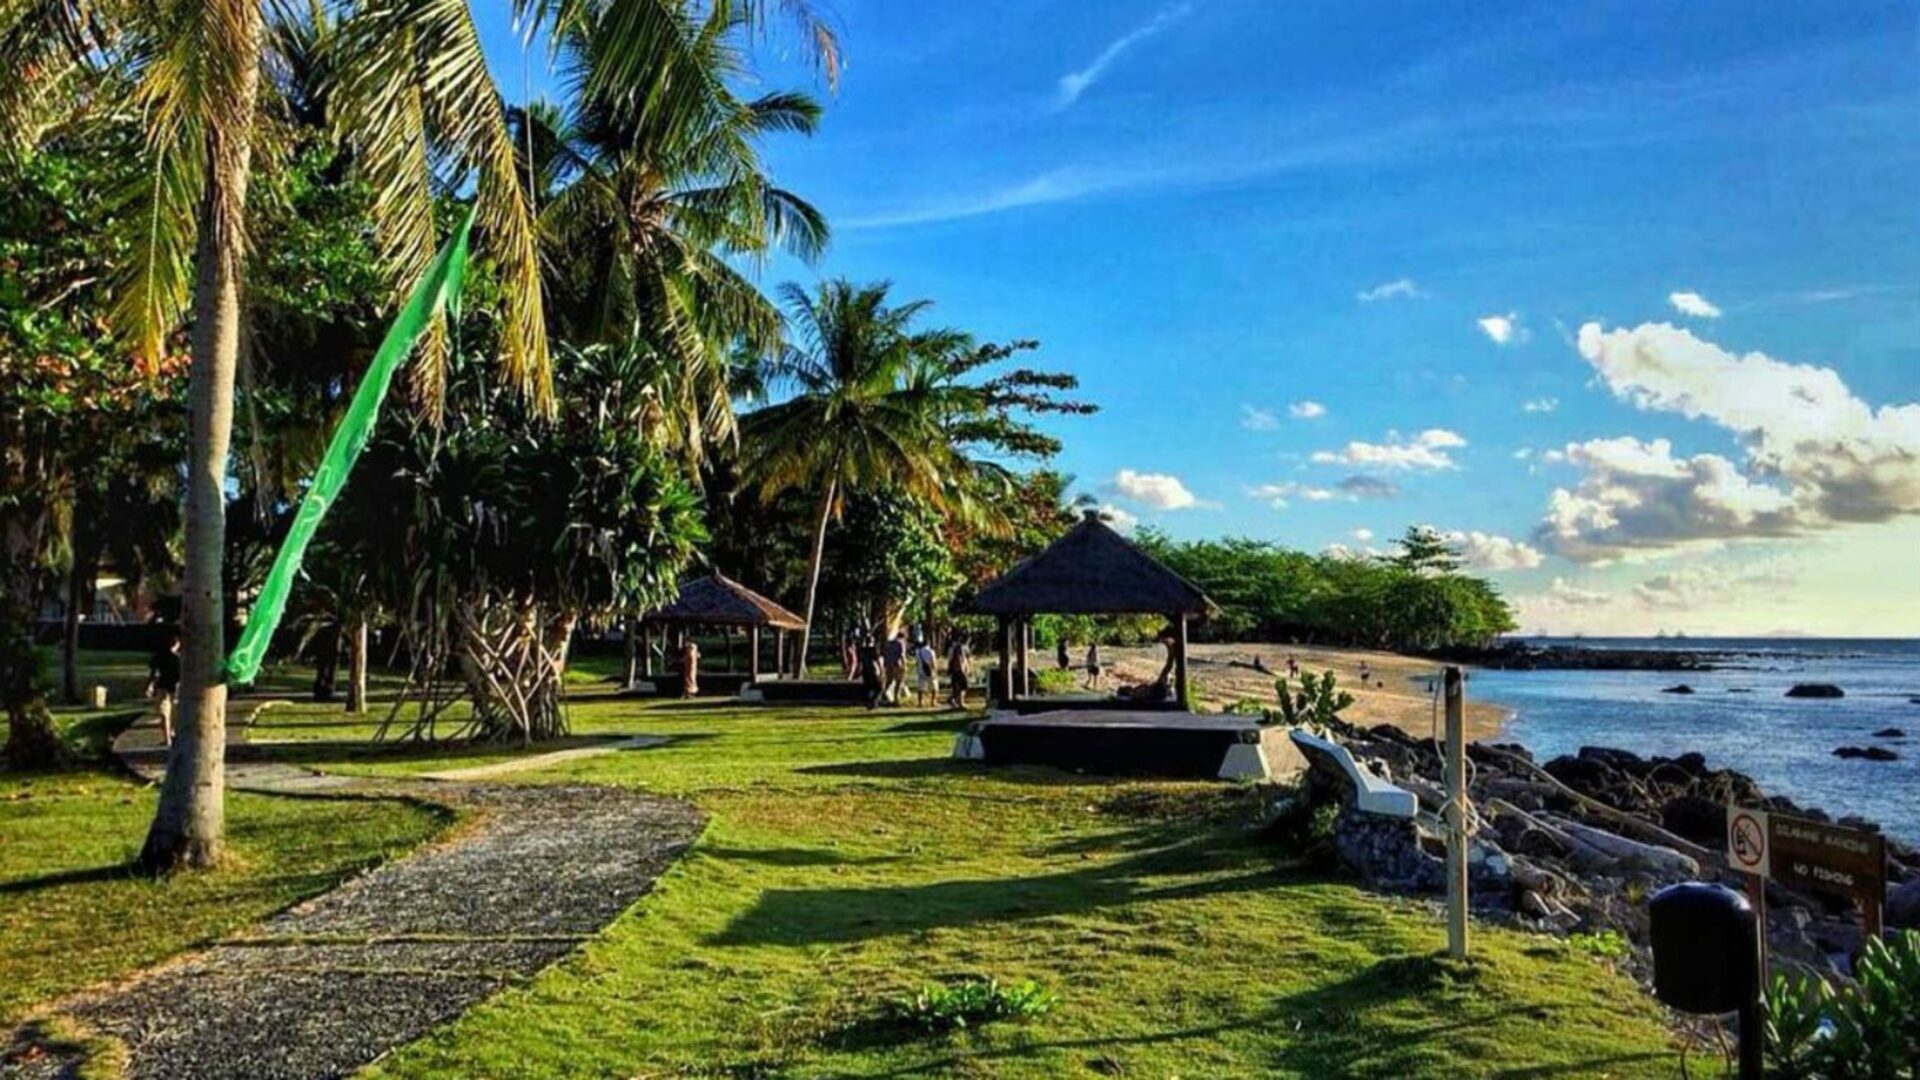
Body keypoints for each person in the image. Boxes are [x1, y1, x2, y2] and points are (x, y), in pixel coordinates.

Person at [145, 624, 181, 746]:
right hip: (171, 687)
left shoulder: (162, 656)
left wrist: (150, 686)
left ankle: (168, 737)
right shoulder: (178, 658)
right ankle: (170, 735)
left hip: (166, 686)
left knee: (165, 713)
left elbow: (154, 672)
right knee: (169, 712)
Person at [857, 632, 884, 709]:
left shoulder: (862, 650)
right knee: (879, 688)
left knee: (869, 688)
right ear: (873, 641)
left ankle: (868, 702)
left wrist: (859, 671)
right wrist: (881, 670)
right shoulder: (874, 649)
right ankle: (874, 702)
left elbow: (860, 662)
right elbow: (878, 661)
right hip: (873, 671)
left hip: (865, 671)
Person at [882, 629, 908, 705]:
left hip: (889, 664)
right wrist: (905, 665)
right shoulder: (901, 643)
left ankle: (884, 695)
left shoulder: (890, 643)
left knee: (889, 681)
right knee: (899, 682)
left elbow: (885, 653)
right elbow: (902, 655)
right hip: (897, 664)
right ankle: (896, 699)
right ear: (904, 636)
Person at [945, 636, 971, 710]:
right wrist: (967, 669)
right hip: (961, 670)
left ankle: (954, 700)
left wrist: (949, 669)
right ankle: (960, 702)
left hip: (954, 670)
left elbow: (949, 660)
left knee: (956, 687)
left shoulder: (951, 648)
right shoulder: (962, 647)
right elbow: (965, 659)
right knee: (963, 686)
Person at [913, 637, 938, 708]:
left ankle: (920, 702)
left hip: (921, 671)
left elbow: (917, 662)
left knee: (921, 688)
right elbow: (933, 662)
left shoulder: (917, 651)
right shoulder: (931, 651)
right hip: (931, 672)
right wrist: (935, 670)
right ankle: (933, 702)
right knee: (934, 687)